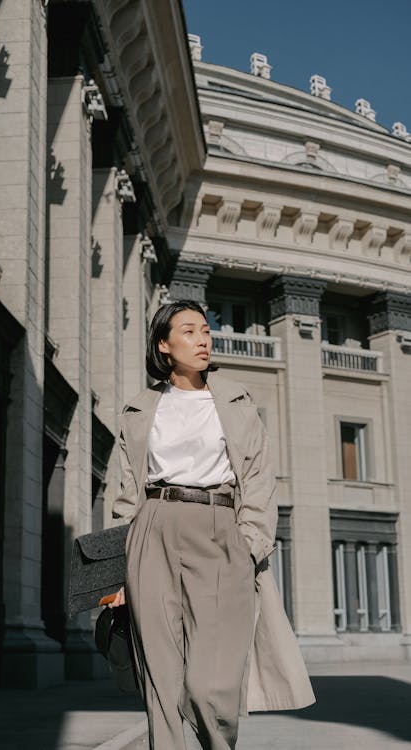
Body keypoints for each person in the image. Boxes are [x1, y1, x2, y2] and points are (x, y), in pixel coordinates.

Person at [108, 300, 315, 750]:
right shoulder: (139, 409)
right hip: (152, 528)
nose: (203, 339)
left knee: (209, 685)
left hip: (221, 530)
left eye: (206, 330)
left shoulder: (237, 401)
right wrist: (113, 571)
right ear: (164, 344)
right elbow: (125, 494)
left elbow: (259, 477)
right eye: (189, 331)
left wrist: (250, 543)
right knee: (159, 678)